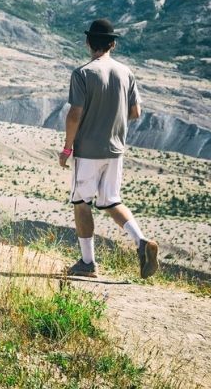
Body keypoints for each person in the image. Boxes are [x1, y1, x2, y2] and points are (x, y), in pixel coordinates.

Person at [61, 19, 159, 279]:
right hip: (115, 150)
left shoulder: (83, 73)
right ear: (112, 44)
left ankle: (88, 262)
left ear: (87, 43)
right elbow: (136, 112)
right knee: (112, 200)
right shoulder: (126, 73)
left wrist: (67, 148)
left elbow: (74, 114)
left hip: (87, 150)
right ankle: (141, 242)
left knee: (82, 202)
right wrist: (111, 119)